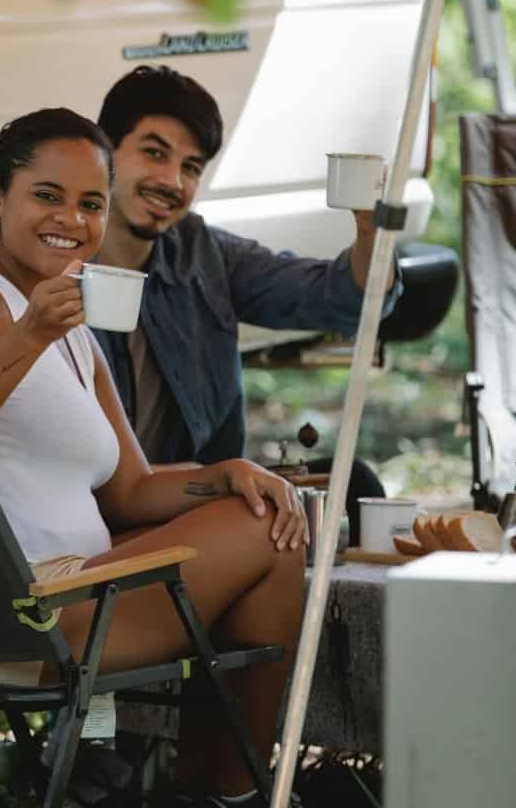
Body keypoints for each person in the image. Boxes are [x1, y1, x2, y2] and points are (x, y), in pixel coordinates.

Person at [0, 107, 307, 807]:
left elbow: (132, 492)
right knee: (266, 530)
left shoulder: (70, 330)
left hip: (79, 593)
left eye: (90, 203)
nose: (71, 219)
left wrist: (225, 474)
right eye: (46, 196)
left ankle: (208, 789)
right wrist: (26, 338)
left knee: (261, 506)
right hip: (23, 609)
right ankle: (231, 795)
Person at [91, 66, 402, 543]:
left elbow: (336, 298)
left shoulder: (203, 253)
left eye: (191, 167)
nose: (172, 180)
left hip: (198, 495)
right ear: (105, 153)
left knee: (355, 484)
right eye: (154, 153)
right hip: (101, 508)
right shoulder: (55, 263)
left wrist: (370, 233)